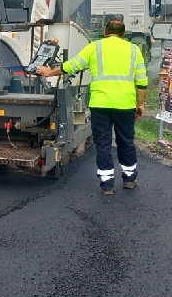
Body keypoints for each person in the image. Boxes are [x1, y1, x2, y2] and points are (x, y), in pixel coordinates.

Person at [36, 20, 148, 195]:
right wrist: (140, 104)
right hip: (125, 105)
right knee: (126, 142)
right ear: (123, 34)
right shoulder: (134, 50)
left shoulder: (94, 47)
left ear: (105, 32)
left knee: (103, 143)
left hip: (100, 104)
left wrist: (49, 72)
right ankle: (130, 179)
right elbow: (142, 82)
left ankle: (107, 186)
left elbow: (71, 66)